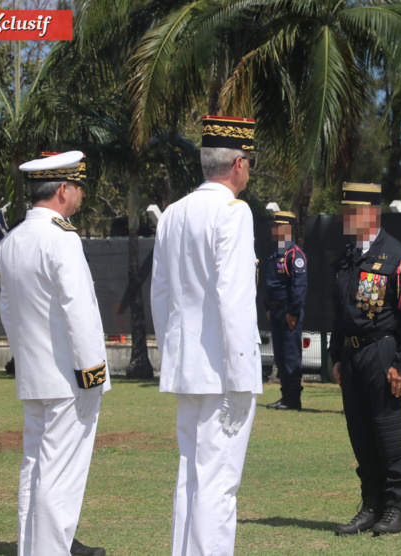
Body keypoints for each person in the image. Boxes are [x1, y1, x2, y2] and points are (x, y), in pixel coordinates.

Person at [151, 115, 263, 556]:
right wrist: (241, 374)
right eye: (248, 162)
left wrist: (172, 355)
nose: (248, 170)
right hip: (223, 371)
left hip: (187, 368)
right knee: (219, 485)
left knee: (191, 477)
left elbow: (161, 294)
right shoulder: (234, 213)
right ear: (237, 163)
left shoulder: (173, 214)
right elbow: (234, 298)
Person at [0, 151, 109, 556]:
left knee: (34, 470)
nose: (79, 196)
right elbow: (77, 311)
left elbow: (8, 312)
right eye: (78, 187)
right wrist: (92, 372)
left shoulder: (12, 241)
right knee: (59, 479)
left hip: (35, 376)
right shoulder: (61, 238)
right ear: (63, 189)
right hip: (69, 379)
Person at [330, 183, 401, 537]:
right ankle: (371, 505)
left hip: (382, 353)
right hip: (353, 357)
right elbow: (339, 311)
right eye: (344, 211)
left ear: (371, 214)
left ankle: (398, 506)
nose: (345, 217)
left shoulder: (397, 257)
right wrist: (336, 356)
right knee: (361, 434)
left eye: (351, 211)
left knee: (389, 433)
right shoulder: (346, 258)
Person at [264, 210, 308, 410]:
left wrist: (294, 312)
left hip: (289, 312)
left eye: (278, 226)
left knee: (291, 356)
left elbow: (299, 287)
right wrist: (268, 307)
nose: (274, 230)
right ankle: (285, 395)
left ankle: (293, 398)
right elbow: (270, 284)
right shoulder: (275, 254)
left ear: (287, 229)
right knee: (280, 356)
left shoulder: (295, 255)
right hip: (275, 311)